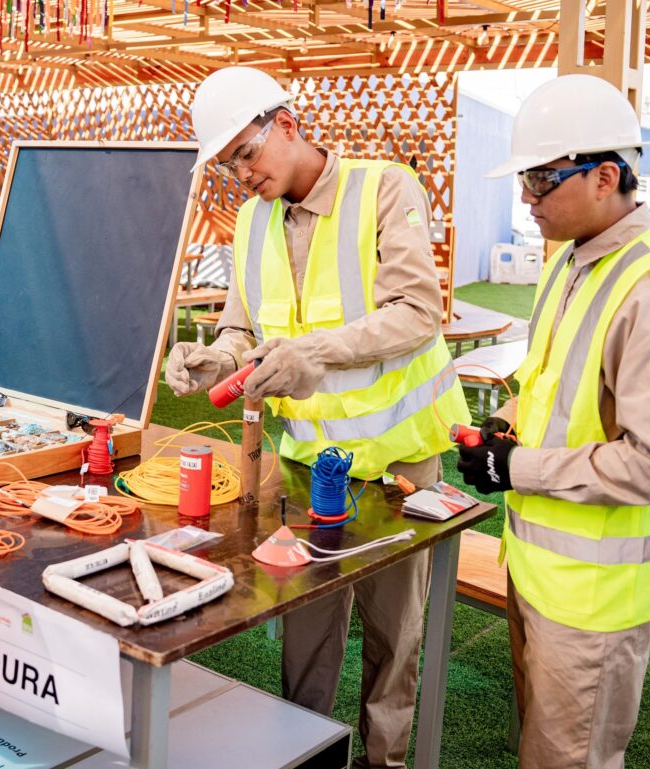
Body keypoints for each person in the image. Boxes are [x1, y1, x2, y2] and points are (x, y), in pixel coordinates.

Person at [166, 66, 470, 768]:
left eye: (246, 153)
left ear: (289, 126)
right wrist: (219, 359)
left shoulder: (385, 188)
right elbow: (243, 330)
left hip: (399, 465)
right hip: (307, 467)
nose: (240, 174)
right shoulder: (250, 221)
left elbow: (420, 312)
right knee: (305, 633)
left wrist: (313, 354)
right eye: (226, 164)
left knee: (395, 638)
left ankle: (383, 761)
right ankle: (299, 753)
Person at [457, 74, 650, 769]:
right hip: (543, 568)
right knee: (542, 747)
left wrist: (518, 468)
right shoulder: (573, 264)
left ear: (606, 177)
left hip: (600, 595)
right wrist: (504, 427)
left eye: (541, 178)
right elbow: (547, 385)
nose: (525, 197)